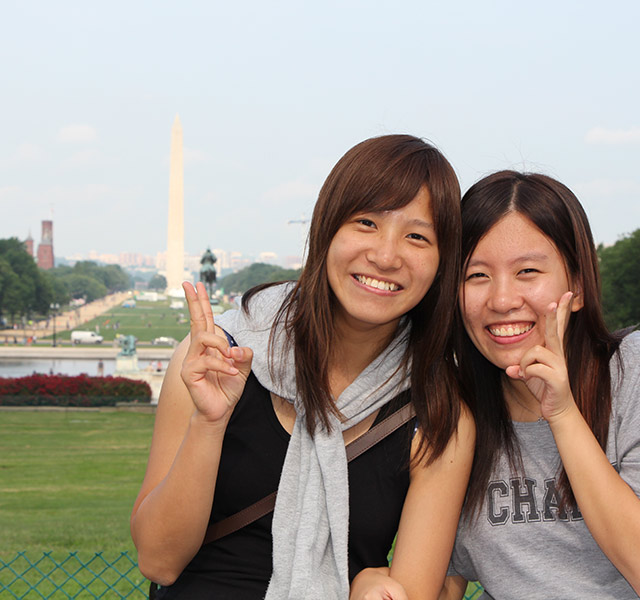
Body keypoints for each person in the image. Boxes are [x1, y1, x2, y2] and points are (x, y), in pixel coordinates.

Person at [131, 134, 474, 600]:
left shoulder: (439, 412)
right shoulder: (218, 358)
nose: (386, 255)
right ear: (326, 227)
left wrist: (369, 589)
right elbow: (158, 560)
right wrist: (208, 424)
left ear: (442, 261)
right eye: (367, 222)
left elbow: (409, 590)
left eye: (417, 236)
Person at [440, 171, 640, 600]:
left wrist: (563, 414)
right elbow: (443, 580)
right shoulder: (459, 411)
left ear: (578, 285)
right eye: (476, 275)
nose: (501, 300)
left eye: (527, 271)